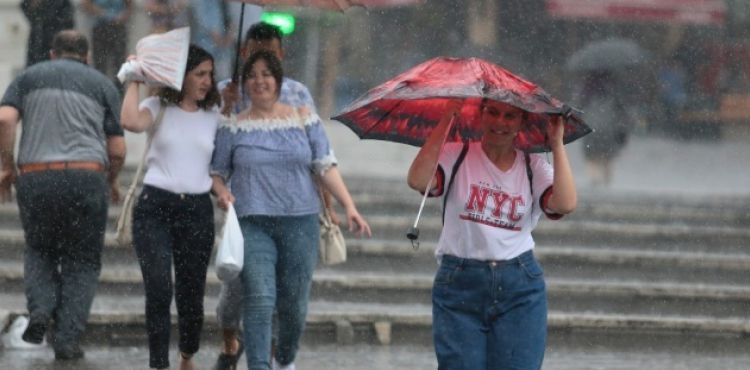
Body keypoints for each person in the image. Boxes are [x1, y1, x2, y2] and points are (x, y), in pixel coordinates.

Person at [210, 50, 371, 370]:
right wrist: (223, 192)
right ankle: (259, 365)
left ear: (279, 80)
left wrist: (349, 206)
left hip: (301, 223)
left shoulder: (303, 117)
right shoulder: (232, 124)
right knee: (259, 298)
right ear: (243, 84)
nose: (259, 81)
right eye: (252, 75)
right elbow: (216, 172)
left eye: (266, 74)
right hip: (253, 223)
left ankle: (284, 359)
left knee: (294, 305)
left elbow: (325, 165)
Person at [407, 99, 577, 370]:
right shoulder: (456, 153)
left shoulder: (534, 166)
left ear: (522, 122)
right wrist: (447, 118)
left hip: (519, 285)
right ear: (481, 115)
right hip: (460, 282)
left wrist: (556, 143)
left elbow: (565, 204)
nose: (500, 122)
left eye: (510, 116)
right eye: (493, 113)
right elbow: (417, 180)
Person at [0, 30, 126, 360]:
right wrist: (111, 181)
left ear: (53, 54)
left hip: (37, 177)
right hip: (86, 177)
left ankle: (40, 311)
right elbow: (118, 150)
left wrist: (7, 168)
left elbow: (4, 119)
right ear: (86, 57)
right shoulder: (102, 84)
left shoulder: (29, 77)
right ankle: (67, 340)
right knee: (82, 261)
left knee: (40, 251)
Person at [120, 45, 221, 370]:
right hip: (155, 208)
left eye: (210, 74)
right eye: (199, 74)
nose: (206, 81)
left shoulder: (215, 114)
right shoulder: (158, 106)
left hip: (197, 211)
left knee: (191, 296)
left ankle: (187, 353)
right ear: (182, 76)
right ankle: (158, 364)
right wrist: (134, 79)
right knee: (160, 288)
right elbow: (130, 122)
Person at [576, 70, 635, 186]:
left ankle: (594, 178)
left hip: (591, 125)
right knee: (607, 155)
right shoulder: (614, 88)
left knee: (592, 155)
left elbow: (580, 107)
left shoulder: (588, 88)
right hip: (609, 127)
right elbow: (621, 111)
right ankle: (607, 179)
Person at [81, 0, 133, 80]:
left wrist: (121, 17)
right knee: (100, 63)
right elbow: (86, 4)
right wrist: (103, 14)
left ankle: (119, 89)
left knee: (119, 63)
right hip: (100, 27)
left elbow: (129, 6)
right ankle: (100, 87)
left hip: (118, 27)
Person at [20, 0, 75, 67]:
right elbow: (27, 11)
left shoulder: (62, 3)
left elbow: (67, 23)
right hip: (37, 44)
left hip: (54, 44)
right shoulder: (32, 3)